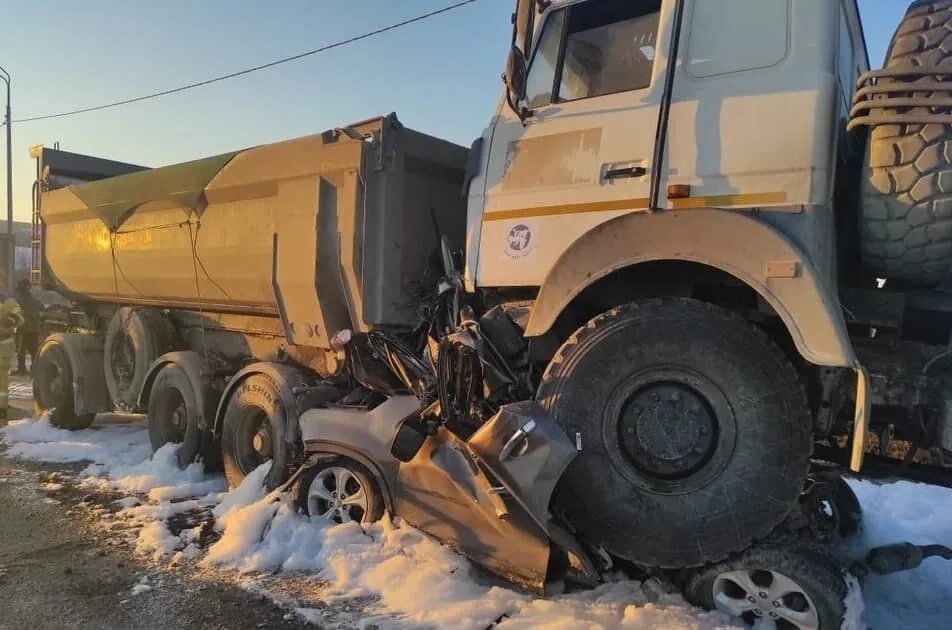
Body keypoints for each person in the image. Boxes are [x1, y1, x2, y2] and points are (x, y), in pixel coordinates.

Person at [0, 294, 24, 420]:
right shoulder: (8, 303)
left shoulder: (9, 303)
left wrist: (12, 320)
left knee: (2, 379)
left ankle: (2, 408)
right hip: (5, 347)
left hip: (3, 348)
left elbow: (20, 318)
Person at [13, 279, 40, 375]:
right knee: (33, 350)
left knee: (21, 349)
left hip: (24, 328)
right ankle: (35, 368)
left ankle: (22, 369)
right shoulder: (32, 298)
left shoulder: (19, 299)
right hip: (34, 328)